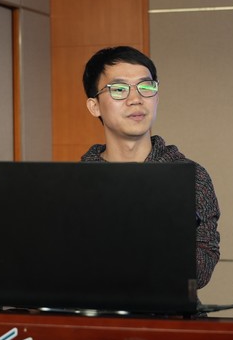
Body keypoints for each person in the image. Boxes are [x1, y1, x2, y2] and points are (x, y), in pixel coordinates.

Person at [81, 45, 221, 289]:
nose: (135, 99)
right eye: (119, 89)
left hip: (168, 310)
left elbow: (201, 267)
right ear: (95, 106)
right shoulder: (76, 181)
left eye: (146, 87)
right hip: (94, 309)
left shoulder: (191, 176)